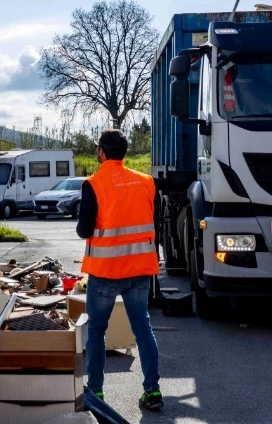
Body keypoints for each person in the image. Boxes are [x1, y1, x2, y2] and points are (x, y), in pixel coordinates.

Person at [76, 129, 163, 411]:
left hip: (105, 272)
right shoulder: (146, 182)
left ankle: (97, 393)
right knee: (143, 328)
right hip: (139, 270)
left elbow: (84, 229)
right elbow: (153, 221)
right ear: (124, 153)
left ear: (102, 152)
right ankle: (152, 391)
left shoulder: (93, 184)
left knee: (98, 331)